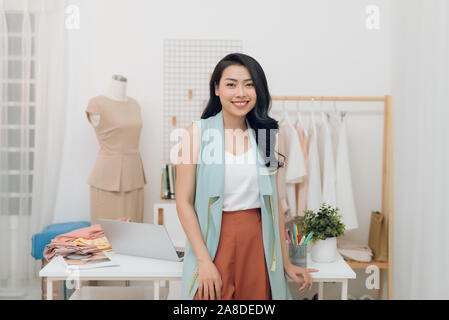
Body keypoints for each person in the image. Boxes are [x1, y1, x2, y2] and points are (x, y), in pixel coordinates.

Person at [175, 53, 318, 300]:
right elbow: (183, 202)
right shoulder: (196, 133)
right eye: (231, 84)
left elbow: (274, 209)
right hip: (213, 244)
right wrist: (203, 261)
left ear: (258, 90)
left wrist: (286, 263)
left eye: (249, 84)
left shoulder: (266, 135)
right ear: (217, 88)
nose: (241, 93)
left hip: (258, 243)